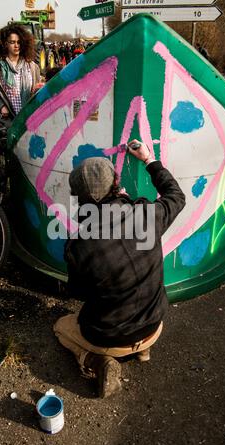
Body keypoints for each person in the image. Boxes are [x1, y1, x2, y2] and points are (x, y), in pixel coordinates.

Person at [54, 141, 186, 398]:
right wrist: (148, 159)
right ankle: (142, 351)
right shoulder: (147, 214)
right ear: (116, 184)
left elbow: (78, 294)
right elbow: (176, 196)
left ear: (79, 199)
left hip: (110, 339)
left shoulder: (80, 246)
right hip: (154, 326)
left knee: (61, 326)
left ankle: (95, 361)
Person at [0, 24, 40, 127]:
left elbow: (37, 93)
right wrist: (1, 106)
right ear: (5, 44)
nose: (16, 45)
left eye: (19, 42)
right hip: (6, 122)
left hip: (28, 120)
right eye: (12, 42)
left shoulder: (32, 66)